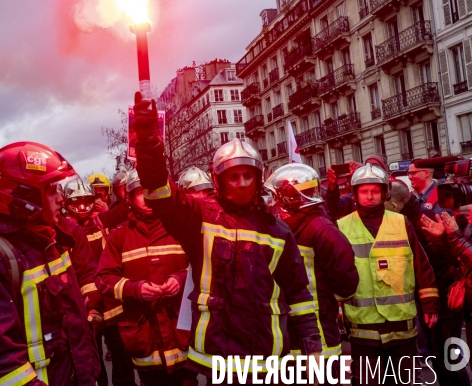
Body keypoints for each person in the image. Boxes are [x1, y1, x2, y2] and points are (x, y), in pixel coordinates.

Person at [131, 93, 322, 383]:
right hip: (218, 354)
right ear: (219, 180)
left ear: (258, 178)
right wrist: (148, 143)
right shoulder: (198, 217)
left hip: (267, 354)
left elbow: (298, 293)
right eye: (234, 176)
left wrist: (311, 347)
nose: (242, 183)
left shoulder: (277, 230)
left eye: (248, 175)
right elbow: (159, 193)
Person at [0, 141, 100, 386]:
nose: (61, 199)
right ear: (26, 198)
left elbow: (73, 328)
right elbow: (0, 365)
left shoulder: (49, 241)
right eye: (51, 191)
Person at [336, 164, 440, 385]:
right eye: (364, 191)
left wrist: (430, 302)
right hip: (363, 328)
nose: (370, 196)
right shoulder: (342, 227)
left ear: (385, 193)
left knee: (405, 381)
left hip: (402, 325)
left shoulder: (402, 223)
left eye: (375, 191)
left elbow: (421, 265)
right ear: (355, 194)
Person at [96, 169, 196, 386]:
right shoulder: (119, 235)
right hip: (145, 337)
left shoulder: (181, 229)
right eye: (141, 191)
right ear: (129, 198)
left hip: (182, 334)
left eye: (152, 190)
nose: (148, 196)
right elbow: (104, 278)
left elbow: (201, 267)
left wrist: (180, 279)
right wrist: (135, 289)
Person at [269, 164, 359, 368]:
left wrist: (327, 301)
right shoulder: (284, 229)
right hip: (288, 333)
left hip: (319, 334)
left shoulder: (321, 229)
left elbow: (347, 281)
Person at [386, 180, 469, 385]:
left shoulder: (421, 220)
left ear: (395, 206)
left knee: (447, 358)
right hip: (437, 297)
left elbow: (443, 263)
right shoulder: (414, 217)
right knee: (440, 356)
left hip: (445, 298)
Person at [60, 178, 136, 386]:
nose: (83, 207)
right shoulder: (64, 233)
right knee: (94, 360)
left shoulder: (101, 223)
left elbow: (122, 211)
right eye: (76, 202)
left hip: (111, 302)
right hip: (85, 305)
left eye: (87, 201)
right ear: (66, 203)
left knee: (122, 356)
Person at [325, 154, 389, 219]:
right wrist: (333, 184)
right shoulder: (353, 196)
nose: (369, 197)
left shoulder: (394, 189)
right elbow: (335, 209)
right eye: (364, 192)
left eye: (375, 191)